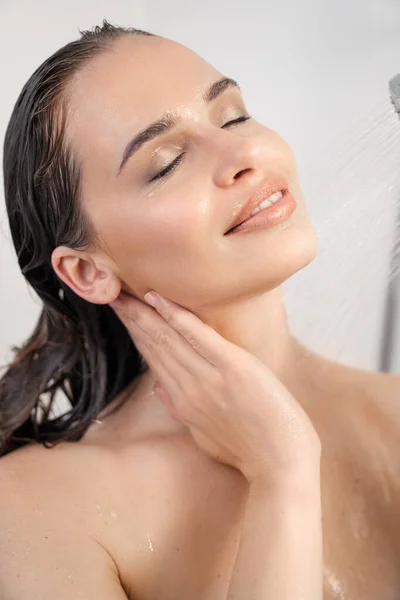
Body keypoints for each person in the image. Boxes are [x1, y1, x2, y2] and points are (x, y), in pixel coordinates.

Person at [0, 19, 399, 600]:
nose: (241, 153)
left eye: (234, 115)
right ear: (88, 272)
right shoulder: (35, 510)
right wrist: (282, 470)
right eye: (165, 162)